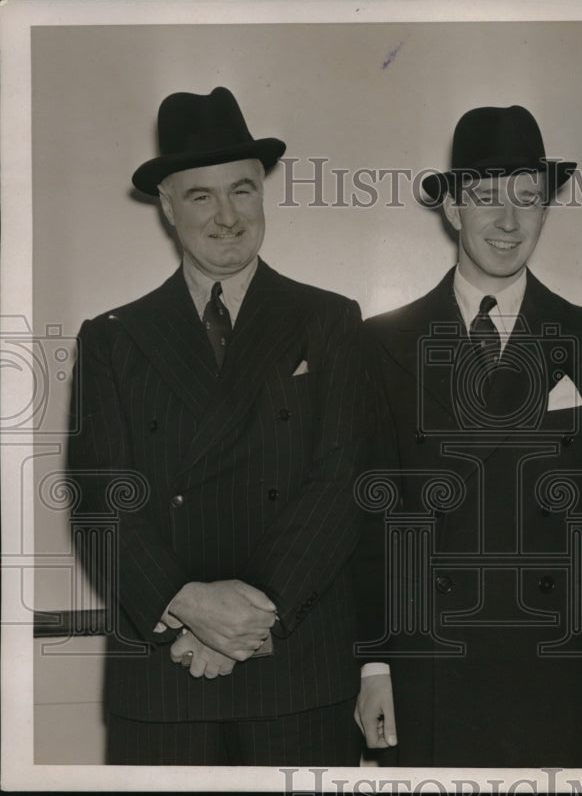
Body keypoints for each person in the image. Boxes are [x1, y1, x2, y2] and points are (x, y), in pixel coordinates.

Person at [67, 86, 370, 765]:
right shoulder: (114, 337)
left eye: (242, 190)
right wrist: (188, 606)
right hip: (165, 672)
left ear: (263, 193)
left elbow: (342, 482)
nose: (227, 216)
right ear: (167, 206)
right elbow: (100, 499)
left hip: (295, 668)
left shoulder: (329, 319)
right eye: (201, 196)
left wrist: (249, 619)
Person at [354, 105, 582, 767]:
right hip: (431, 670)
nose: (509, 221)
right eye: (488, 197)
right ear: (452, 209)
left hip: (565, 671)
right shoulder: (383, 345)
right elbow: (371, 518)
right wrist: (374, 664)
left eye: (528, 198)